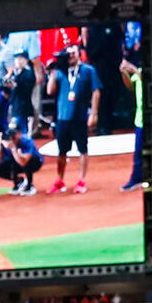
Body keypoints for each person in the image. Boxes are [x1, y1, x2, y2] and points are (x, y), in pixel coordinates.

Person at [46, 43, 101, 194]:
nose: (70, 56)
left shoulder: (88, 70)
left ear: (79, 54)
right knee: (62, 151)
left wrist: (94, 113)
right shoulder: (61, 72)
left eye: (73, 53)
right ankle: (60, 181)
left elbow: (96, 91)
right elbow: (50, 91)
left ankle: (82, 180)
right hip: (63, 117)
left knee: (82, 149)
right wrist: (53, 71)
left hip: (80, 116)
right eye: (68, 54)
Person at [0, 119, 43, 196]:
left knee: (25, 160)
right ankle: (18, 182)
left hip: (33, 163)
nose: (11, 137)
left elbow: (23, 162)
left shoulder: (27, 141)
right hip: (16, 162)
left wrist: (13, 149)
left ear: (19, 133)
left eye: (13, 134)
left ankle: (29, 185)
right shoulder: (6, 141)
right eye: (10, 134)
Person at [119, 59, 143, 192]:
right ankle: (137, 178)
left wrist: (131, 68)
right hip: (140, 119)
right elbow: (131, 86)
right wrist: (124, 73)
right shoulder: (140, 71)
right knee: (138, 153)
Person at [8, 51, 36, 134]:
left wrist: (15, 84)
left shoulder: (29, 73)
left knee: (24, 133)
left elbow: (26, 89)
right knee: (14, 131)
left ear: (26, 60)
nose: (18, 61)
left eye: (21, 59)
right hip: (15, 106)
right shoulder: (14, 73)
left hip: (24, 107)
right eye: (16, 59)